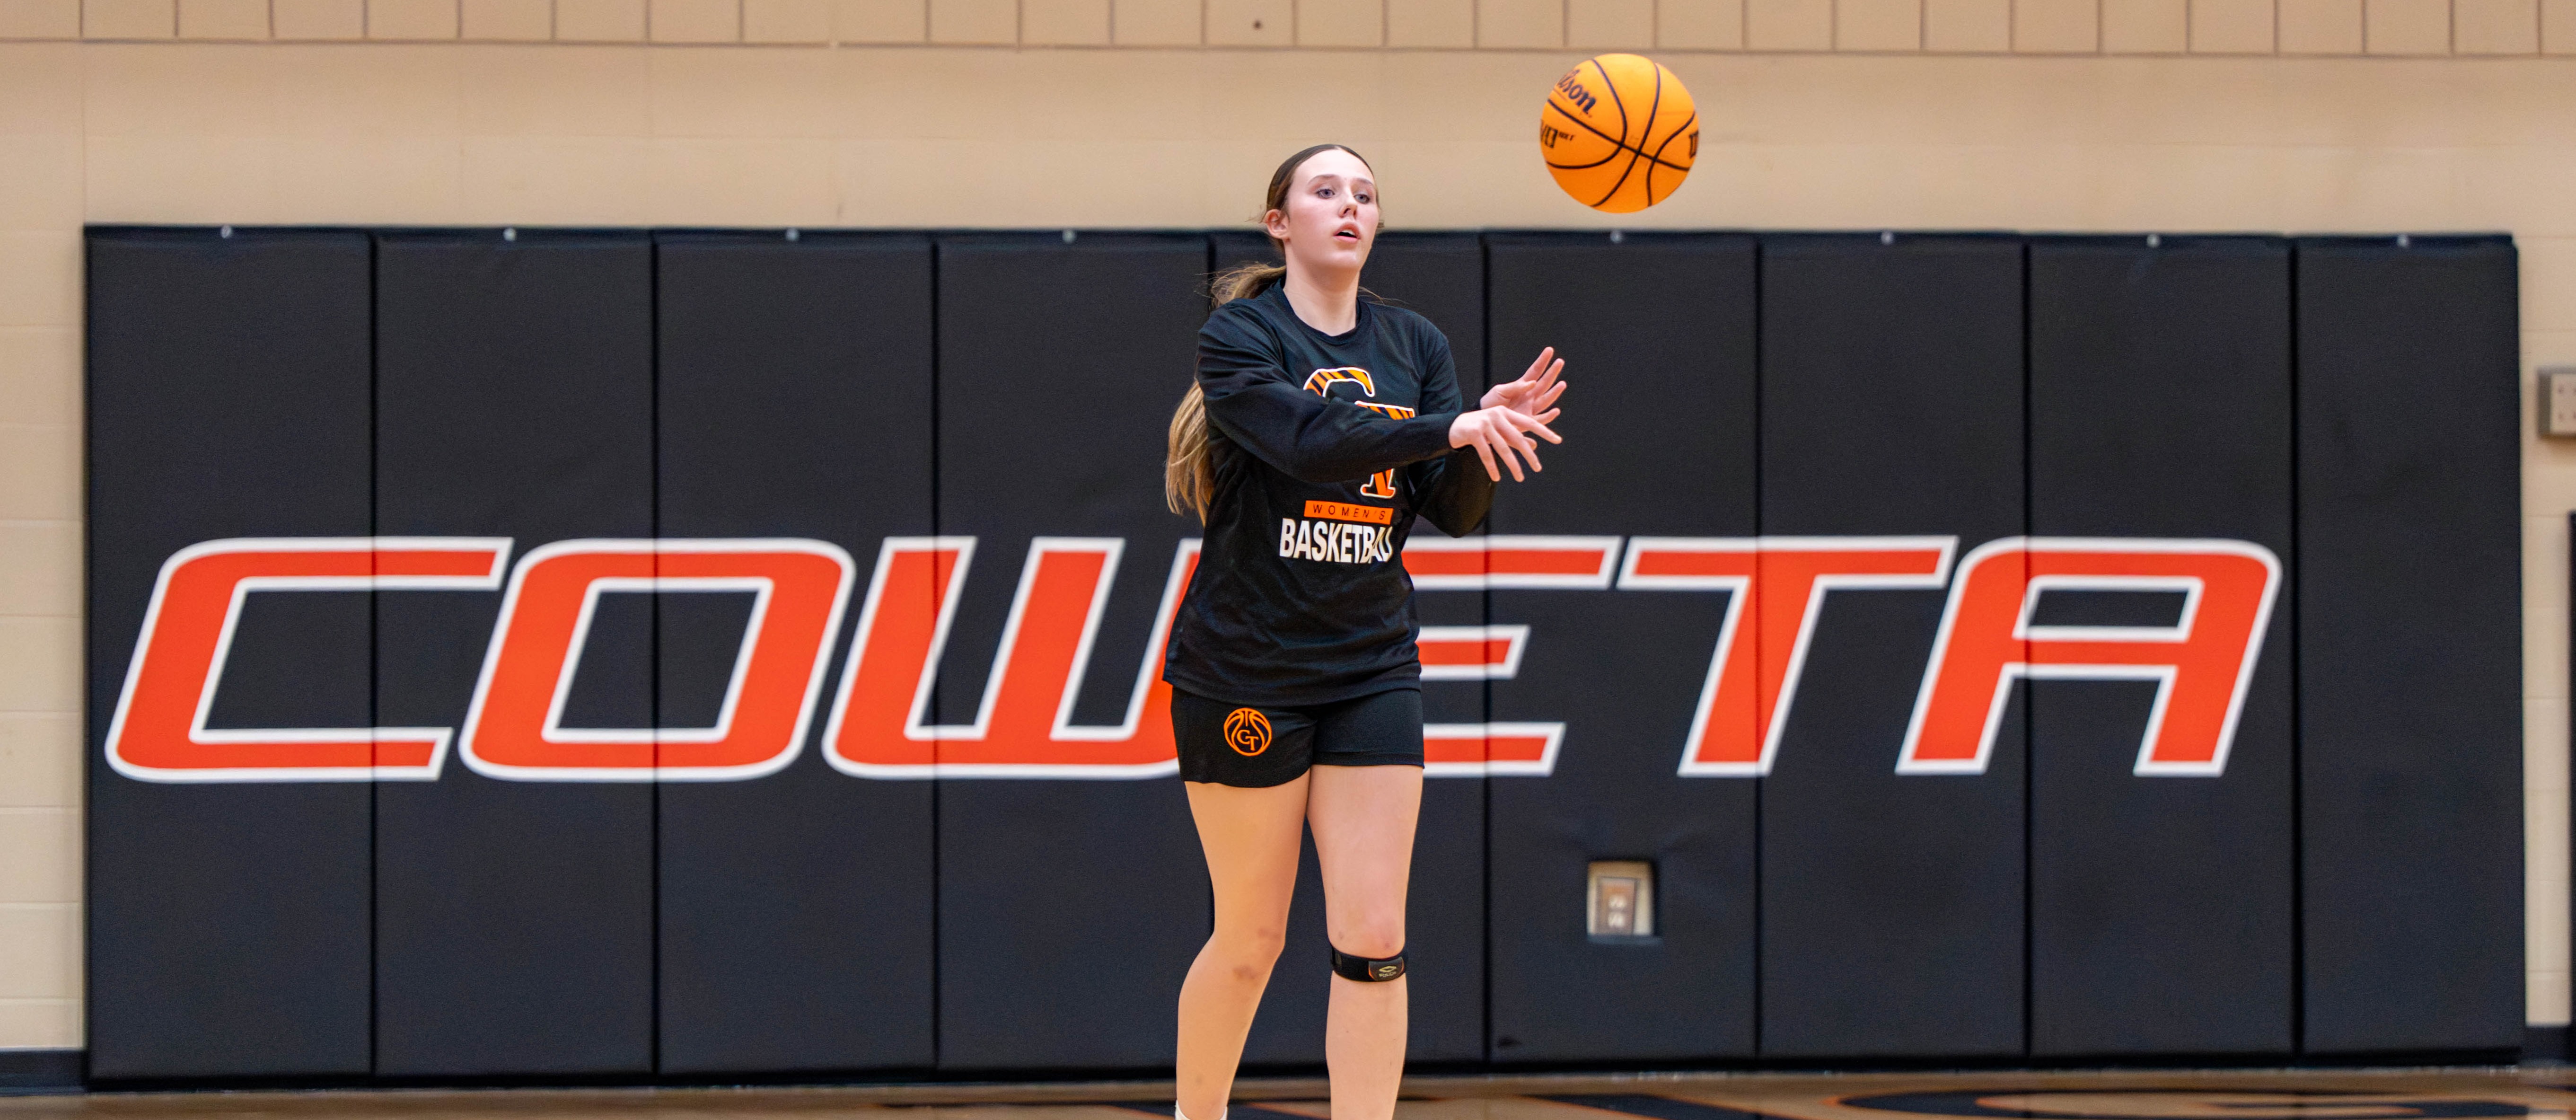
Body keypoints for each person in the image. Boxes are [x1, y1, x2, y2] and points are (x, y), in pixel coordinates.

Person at [1160, 142, 1568, 1120]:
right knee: (1251, 935)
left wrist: (1487, 438)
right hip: (1247, 663)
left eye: (1365, 194)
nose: (1349, 206)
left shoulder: (1414, 343)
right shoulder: (1240, 338)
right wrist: (1447, 427)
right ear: (1279, 223)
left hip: (1369, 661)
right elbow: (1309, 441)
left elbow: (1452, 509)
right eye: (1325, 190)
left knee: (1374, 930)